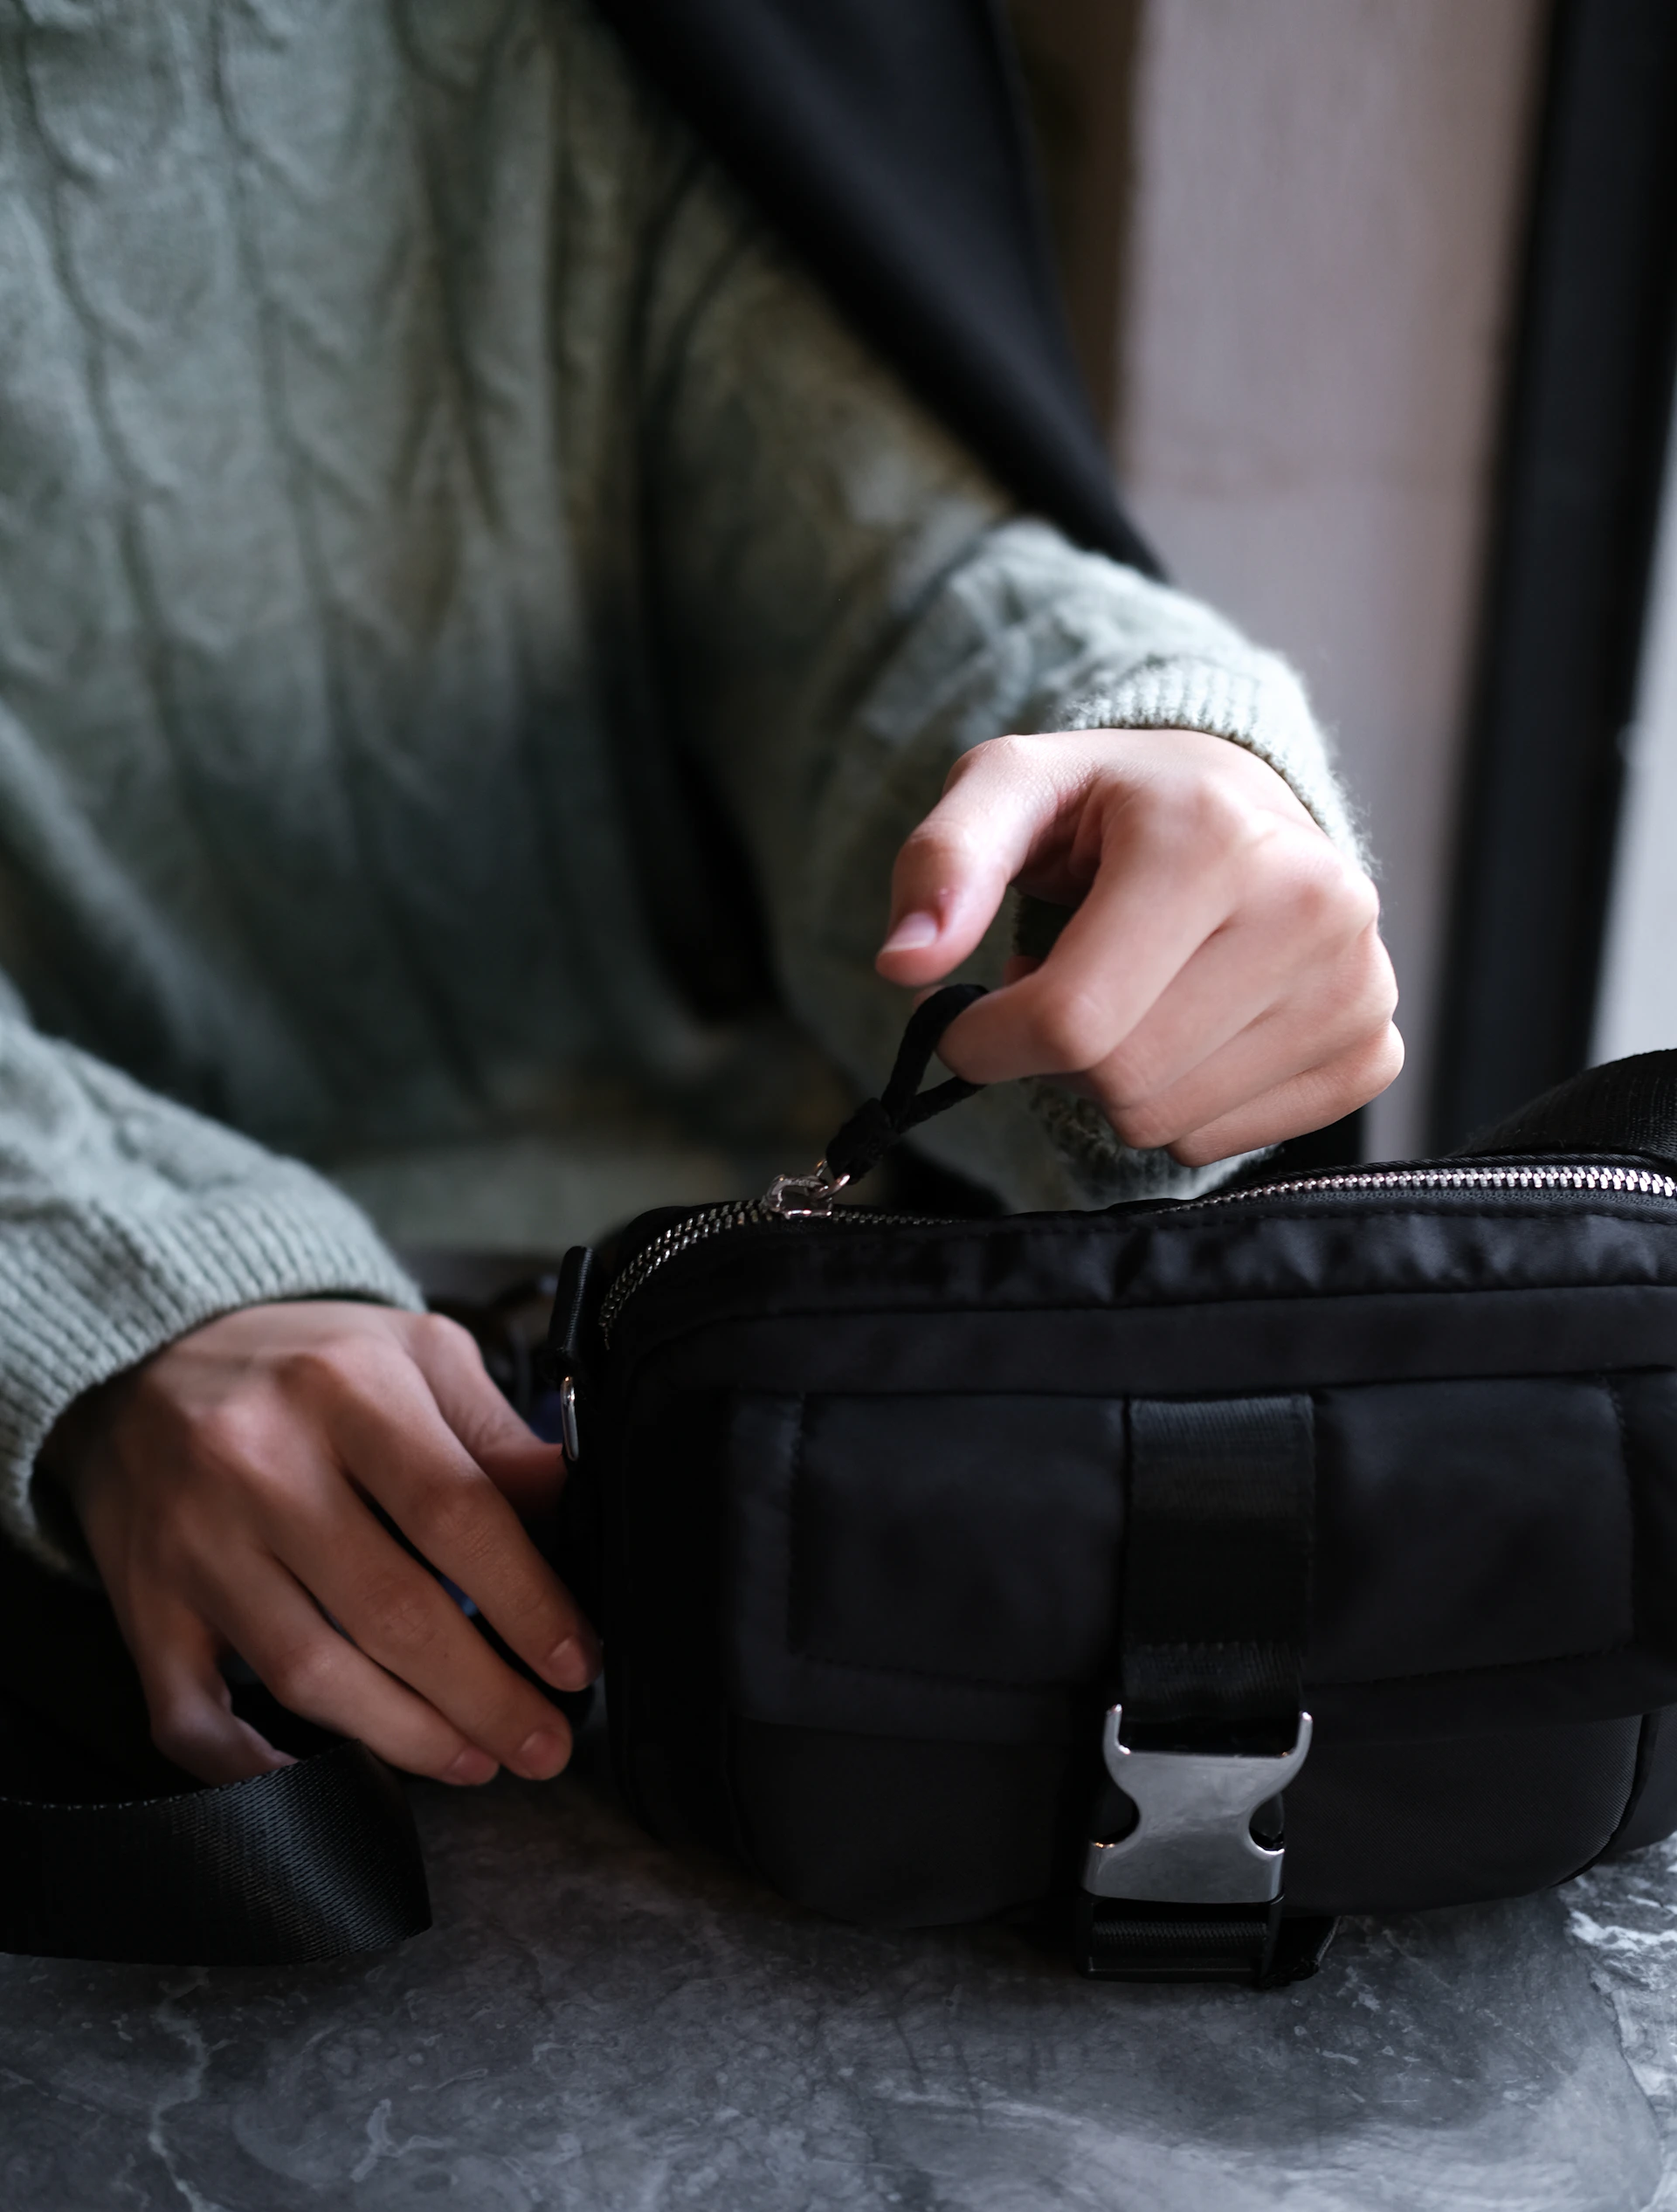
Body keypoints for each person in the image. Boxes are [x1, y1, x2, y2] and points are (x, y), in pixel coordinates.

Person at [0, 0, 1398, 1800]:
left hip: (771, 1382)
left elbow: (874, 575)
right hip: (86, 1510)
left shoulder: (574, 47)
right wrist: (105, 1283)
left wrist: (1163, 760)